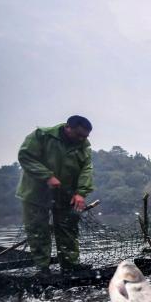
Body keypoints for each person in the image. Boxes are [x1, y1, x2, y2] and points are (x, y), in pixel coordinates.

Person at [16, 115, 95, 274]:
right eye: (78, 134)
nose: (81, 138)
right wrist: (47, 176)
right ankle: (42, 267)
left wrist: (81, 193)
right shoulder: (41, 136)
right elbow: (25, 156)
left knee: (68, 228)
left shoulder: (84, 146)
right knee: (38, 229)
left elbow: (87, 170)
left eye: (85, 136)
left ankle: (70, 264)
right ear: (67, 128)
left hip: (65, 194)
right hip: (35, 193)